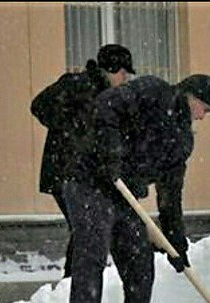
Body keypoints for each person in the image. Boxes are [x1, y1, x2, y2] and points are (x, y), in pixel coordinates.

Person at [62, 71, 210, 303]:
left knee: (140, 264)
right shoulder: (152, 91)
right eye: (205, 109)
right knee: (92, 258)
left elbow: (170, 194)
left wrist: (176, 241)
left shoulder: (181, 140)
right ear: (191, 96)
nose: (203, 117)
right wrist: (109, 153)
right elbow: (106, 105)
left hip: (124, 194)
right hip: (89, 180)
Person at [31, 44, 136, 280]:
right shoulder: (77, 85)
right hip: (66, 171)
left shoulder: (105, 94)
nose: (125, 78)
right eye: (123, 72)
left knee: (84, 228)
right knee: (85, 228)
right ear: (110, 69)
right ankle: (74, 283)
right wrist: (70, 130)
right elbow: (39, 106)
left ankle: (73, 283)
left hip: (83, 172)